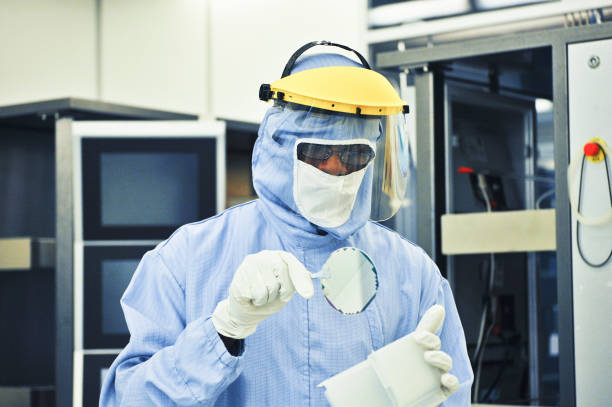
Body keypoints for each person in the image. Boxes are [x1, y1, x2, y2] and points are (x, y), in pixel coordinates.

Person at [100, 41, 473, 406]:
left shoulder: (411, 272)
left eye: (355, 155)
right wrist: (224, 331)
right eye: (319, 152)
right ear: (279, 145)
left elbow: (453, 391)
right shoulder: (188, 258)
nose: (337, 172)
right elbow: (125, 399)